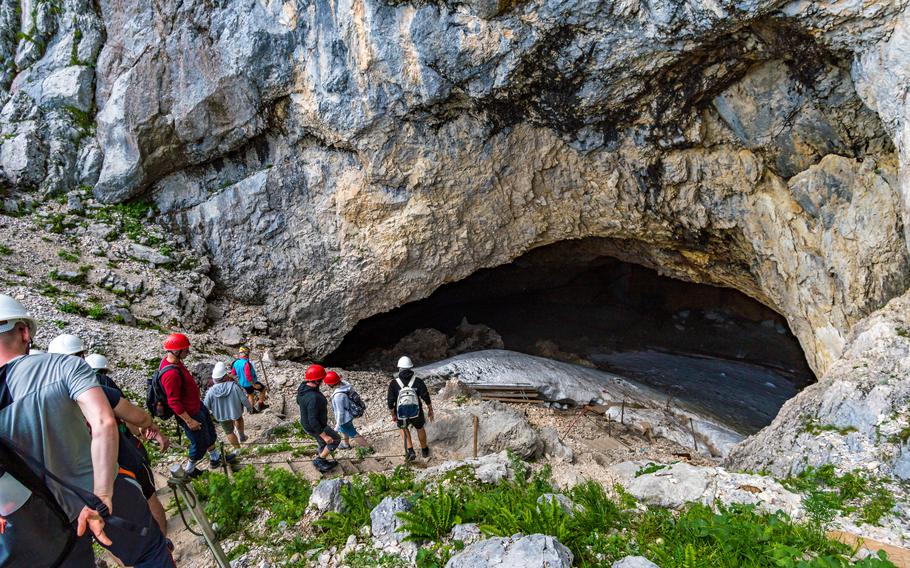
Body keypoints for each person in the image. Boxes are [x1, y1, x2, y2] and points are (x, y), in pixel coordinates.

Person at [0, 295, 172, 567]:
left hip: (34, 519)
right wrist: (103, 496)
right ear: (23, 331)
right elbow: (104, 422)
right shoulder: (62, 367)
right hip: (97, 488)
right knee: (149, 553)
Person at [86, 352, 171, 540]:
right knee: (148, 494)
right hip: (121, 448)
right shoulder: (99, 383)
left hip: (88, 464)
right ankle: (162, 541)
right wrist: (146, 427)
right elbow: (130, 415)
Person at [159, 332, 230, 477]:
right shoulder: (170, 374)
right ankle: (189, 470)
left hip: (196, 406)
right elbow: (173, 401)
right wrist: (189, 421)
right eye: (185, 350)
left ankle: (215, 458)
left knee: (210, 433)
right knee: (198, 443)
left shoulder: (176, 363)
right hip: (190, 413)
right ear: (176, 351)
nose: (188, 352)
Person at [387, 355, 433, 461]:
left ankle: (410, 450)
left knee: (403, 428)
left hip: (401, 413)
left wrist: (393, 414)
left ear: (399, 368)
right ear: (410, 367)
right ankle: (424, 450)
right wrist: (430, 409)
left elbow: (390, 402)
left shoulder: (394, 383)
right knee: (420, 428)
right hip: (416, 412)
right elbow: (425, 396)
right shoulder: (418, 381)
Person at [296, 364, 340, 472]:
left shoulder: (303, 387)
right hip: (315, 426)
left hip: (305, 423)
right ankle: (320, 460)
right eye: (321, 379)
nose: (322, 381)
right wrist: (324, 436)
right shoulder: (314, 398)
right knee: (335, 439)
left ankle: (322, 460)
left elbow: (298, 401)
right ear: (316, 381)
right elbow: (313, 420)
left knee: (321, 442)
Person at [204, 362, 255, 449]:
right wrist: (250, 408)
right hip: (236, 411)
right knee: (238, 419)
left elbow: (205, 406)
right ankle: (242, 436)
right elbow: (243, 399)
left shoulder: (211, 391)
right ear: (225, 376)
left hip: (221, 415)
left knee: (229, 432)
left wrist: (207, 417)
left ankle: (237, 449)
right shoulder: (233, 386)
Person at [325, 370, 370, 450]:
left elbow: (340, 412)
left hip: (344, 419)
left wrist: (337, 425)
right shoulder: (345, 386)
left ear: (331, 384)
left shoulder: (338, 396)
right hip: (348, 415)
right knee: (344, 430)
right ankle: (346, 444)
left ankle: (368, 448)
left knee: (353, 433)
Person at [232, 346, 268, 411]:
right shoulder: (246, 363)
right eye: (248, 353)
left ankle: (251, 410)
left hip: (243, 383)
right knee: (263, 389)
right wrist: (254, 385)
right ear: (246, 353)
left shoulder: (236, 362)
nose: (248, 354)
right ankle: (260, 404)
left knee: (250, 395)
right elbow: (248, 376)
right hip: (251, 382)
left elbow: (233, 374)